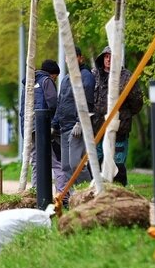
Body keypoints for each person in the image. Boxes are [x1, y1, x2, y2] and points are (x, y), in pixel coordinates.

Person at [93, 45, 143, 186]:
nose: (108, 59)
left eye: (111, 56)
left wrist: (124, 114)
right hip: (98, 128)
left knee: (118, 164)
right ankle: (97, 193)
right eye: (106, 56)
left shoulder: (127, 77)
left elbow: (137, 102)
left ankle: (120, 193)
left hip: (119, 129)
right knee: (96, 161)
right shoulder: (94, 75)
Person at [52, 46, 95, 189]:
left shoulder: (86, 76)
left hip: (77, 127)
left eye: (74, 57)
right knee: (65, 167)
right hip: (64, 128)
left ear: (80, 58)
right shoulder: (65, 80)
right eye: (68, 57)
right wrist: (54, 124)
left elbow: (88, 100)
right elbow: (61, 103)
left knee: (76, 164)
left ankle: (89, 194)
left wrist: (80, 122)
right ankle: (74, 198)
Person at [20, 59, 62, 190]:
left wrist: (24, 130)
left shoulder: (29, 83)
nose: (55, 80)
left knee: (36, 161)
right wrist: (54, 125)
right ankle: (64, 193)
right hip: (43, 127)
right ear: (52, 74)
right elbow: (54, 104)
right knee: (56, 161)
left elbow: (23, 109)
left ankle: (35, 192)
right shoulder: (46, 81)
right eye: (56, 77)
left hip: (29, 128)